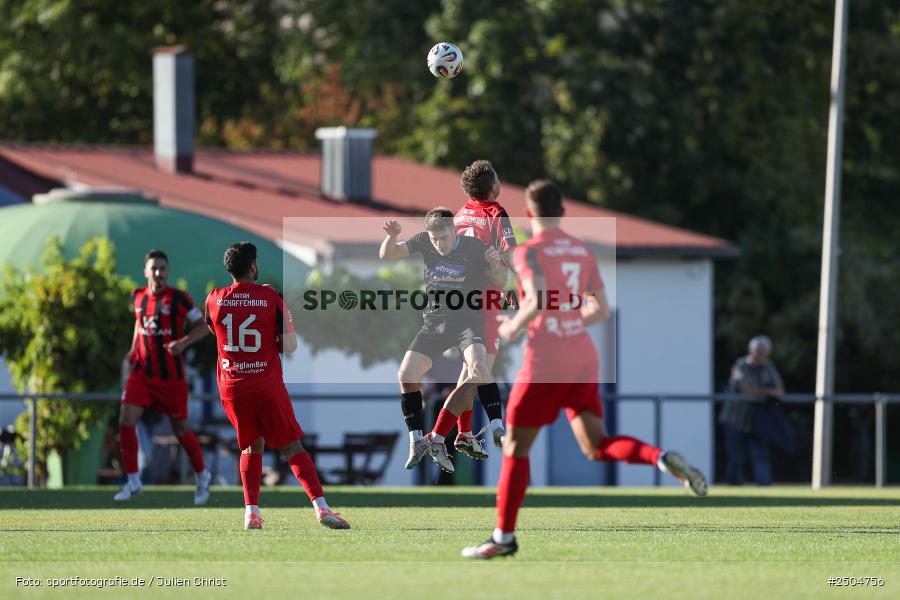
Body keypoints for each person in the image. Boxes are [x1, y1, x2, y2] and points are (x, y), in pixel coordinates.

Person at [462, 180, 708, 559]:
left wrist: (513, 325)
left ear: (529, 214)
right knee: (596, 446)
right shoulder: (581, 252)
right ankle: (660, 458)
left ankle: (503, 537)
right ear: (562, 213)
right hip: (582, 355)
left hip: (547, 361)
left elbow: (539, 298)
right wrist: (568, 317)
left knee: (514, 447)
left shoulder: (529, 252)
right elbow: (600, 310)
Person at [205, 242, 350, 530]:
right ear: (253, 266)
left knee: (250, 447)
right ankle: (321, 508)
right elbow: (291, 346)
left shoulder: (213, 298)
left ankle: (252, 514)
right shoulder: (271, 297)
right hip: (265, 384)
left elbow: (214, 331)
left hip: (233, 386)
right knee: (291, 446)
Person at [379, 208, 507, 474]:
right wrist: (391, 238)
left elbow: (500, 281)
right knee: (405, 374)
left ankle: (497, 427)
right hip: (435, 324)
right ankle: (417, 440)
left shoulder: (474, 247)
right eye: (435, 240)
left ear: (454, 232)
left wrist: (496, 264)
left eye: (444, 239)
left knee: (477, 367)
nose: (439, 245)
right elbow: (387, 254)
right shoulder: (424, 241)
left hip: (467, 323)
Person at [115, 249, 211, 504]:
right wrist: (132, 349)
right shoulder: (137, 297)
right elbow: (139, 325)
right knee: (126, 419)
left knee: (181, 429)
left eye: (163, 268)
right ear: (145, 271)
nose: (158, 273)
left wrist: (183, 342)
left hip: (171, 378)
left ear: (168, 271)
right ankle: (133, 481)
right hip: (141, 373)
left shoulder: (178, 299)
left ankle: (202, 475)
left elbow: (204, 325)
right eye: (154, 268)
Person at [449, 160, 518, 460]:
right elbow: (511, 252)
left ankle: (463, 433)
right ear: (493, 188)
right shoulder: (496, 212)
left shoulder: (459, 215)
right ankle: (439, 435)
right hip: (484, 299)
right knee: (480, 371)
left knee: (470, 372)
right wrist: (515, 286)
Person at [720, 335, 785, 486]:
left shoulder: (768, 367)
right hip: (734, 420)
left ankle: (765, 489)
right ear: (751, 351)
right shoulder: (741, 365)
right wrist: (768, 391)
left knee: (761, 456)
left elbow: (780, 391)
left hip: (756, 422)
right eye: (758, 352)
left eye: (764, 353)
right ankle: (733, 491)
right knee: (735, 458)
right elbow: (745, 390)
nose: (760, 356)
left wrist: (761, 392)